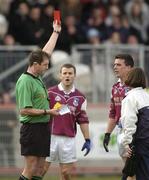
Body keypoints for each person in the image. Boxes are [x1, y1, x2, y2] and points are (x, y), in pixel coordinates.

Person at [15, 20, 61, 180]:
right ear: (35, 65)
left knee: (40, 168)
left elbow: (46, 52)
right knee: (31, 167)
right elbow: (24, 110)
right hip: (32, 128)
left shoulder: (36, 75)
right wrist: (47, 111)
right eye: (45, 65)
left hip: (42, 127)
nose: (47, 67)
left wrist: (55, 32)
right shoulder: (26, 81)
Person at [42, 63, 91, 180]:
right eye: (65, 73)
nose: (67, 76)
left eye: (70, 73)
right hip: (50, 137)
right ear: (60, 76)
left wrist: (87, 139)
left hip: (68, 139)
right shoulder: (50, 93)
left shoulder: (80, 98)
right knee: (42, 170)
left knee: (65, 173)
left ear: (74, 76)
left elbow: (83, 120)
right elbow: (42, 113)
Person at [103, 54, 134, 180]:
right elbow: (113, 113)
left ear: (129, 68)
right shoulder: (115, 87)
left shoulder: (137, 87)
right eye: (114, 64)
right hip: (121, 131)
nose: (115, 67)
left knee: (131, 170)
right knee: (129, 168)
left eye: (119, 65)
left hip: (133, 131)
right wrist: (107, 134)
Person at [120, 67, 149, 180]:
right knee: (128, 173)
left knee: (139, 175)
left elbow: (129, 121)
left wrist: (127, 143)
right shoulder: (147, 95)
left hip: (139, 142)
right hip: (145, 140)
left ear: (130, 78)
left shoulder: (130, 98)